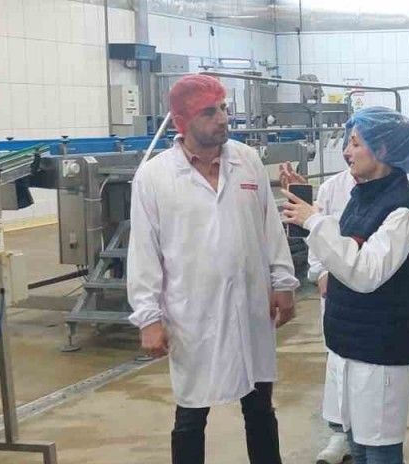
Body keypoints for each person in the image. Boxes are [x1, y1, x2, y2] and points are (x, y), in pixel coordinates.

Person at [127, 74, 298, 464]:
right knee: (191, 415)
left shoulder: (246, 160)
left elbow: (269, 226)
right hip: (193, 315)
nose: (222, 118)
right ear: (182, 121)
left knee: (260, 406)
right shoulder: (154, 177)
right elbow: (144, 253)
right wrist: (148, 318)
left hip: (252, 306)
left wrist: (283, 281)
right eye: (209, 112)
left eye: (223, 108)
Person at [281, 107, 409, 464]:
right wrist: (313, 215)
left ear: (382, 150)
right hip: (351, 342)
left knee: (379, 449)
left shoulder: (401, 209)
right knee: (358, 445)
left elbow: (365, 272)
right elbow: (344, 248)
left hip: (380, 348)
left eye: (355, 143)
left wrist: (315, 222)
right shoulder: (363, 195)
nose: (347, 152)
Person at [278, 161, 356, 464]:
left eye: (357, 143)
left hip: (370, 291)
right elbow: (315, 235)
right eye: (348, 143)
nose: (348, 152)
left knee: (370, 368)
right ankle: (340, 432)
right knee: (337, 360)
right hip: (335, 292)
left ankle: (366, 436)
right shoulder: (332, 188)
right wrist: (321, 272)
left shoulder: (392, 194)